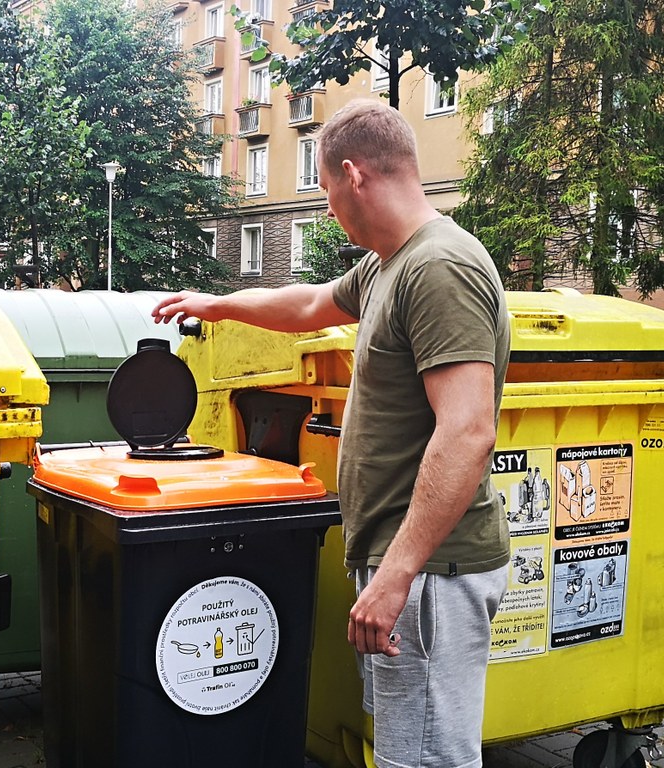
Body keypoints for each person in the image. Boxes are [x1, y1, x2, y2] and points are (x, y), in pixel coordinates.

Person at [152, 98, 511, 768]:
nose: (325, 208)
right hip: (404, 561)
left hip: (431, 567)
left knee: (428, 759)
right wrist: (217, 303)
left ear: (353, 174)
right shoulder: (389, 263)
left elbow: (468, 432)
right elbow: (312, 303)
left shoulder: (439, 268)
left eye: (322, 189)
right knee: (407, 748)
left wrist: (397, 574)